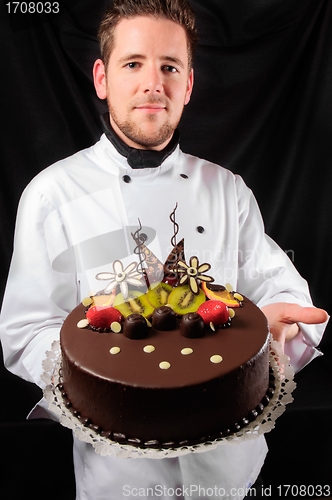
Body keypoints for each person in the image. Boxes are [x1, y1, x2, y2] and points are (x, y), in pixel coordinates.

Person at [0, 0, 328, 499]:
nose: (153, 83)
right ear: (102, 78)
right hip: (118, 478)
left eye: (169, 66)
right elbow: (25, 330)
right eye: (133, 64)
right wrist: (111, 378)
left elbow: (278, 285)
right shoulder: (51, 195)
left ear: (188, 85)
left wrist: (273, 335)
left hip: (231, 472)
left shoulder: (227, 189)